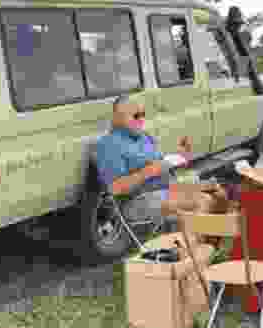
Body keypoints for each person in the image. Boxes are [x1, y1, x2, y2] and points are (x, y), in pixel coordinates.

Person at [95, 95, 229, 230]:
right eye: (136, 116)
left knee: (218, 192)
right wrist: (148, 172)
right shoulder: (109, 145)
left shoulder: (144, 137)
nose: (141, 120)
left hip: (165, 188)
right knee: (203, 201)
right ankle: (192, 247)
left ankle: (209, 244)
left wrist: (181, 156)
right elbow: (116, 188)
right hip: (138, 200)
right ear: (119, 118)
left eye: (143, 114)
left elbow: (161, 165)